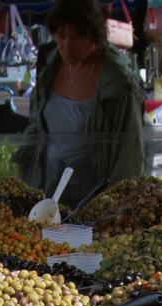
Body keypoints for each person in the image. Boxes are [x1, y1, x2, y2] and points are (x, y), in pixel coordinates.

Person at [21, 0, 145, 207]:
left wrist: (113, 210)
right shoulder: (50, 69)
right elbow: (36, 131)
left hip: (95, 198)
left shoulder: (119, 83)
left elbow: (129, 158)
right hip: (49, 193)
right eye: (61, 36)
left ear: (97, 35)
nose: (67, 46)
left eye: (78, 37)